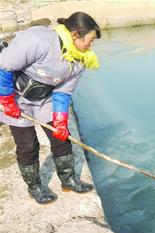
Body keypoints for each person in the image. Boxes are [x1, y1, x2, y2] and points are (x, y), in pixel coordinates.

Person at [0, 12, 101, 204]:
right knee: (28, 145)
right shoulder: (39, 40)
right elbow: (4, 66)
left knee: (60, 138)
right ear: (75, 34)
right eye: (91, 39)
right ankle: (35, 187)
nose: (92, 44)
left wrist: (61, 121)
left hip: (45, 99)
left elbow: (62, 92)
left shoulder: (80, 60)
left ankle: (68, 180)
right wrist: (6, 100)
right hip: (16, 97)